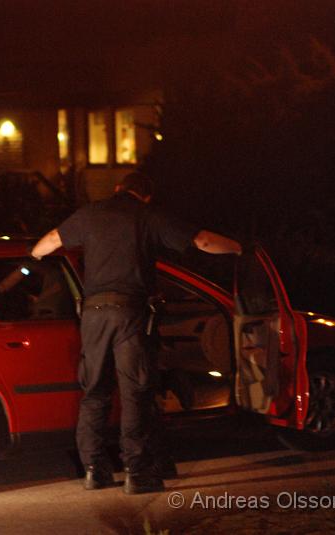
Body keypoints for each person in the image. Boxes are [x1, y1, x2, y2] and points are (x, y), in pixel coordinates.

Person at [30, 171, 242, 495]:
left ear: (118, 189)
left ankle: (94, 469)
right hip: (129, 313)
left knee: (95, 392)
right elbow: (203, 241)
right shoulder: (147, 216)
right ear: (146, 196)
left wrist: (33, 256)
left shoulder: (89, 214)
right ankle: (137, 472)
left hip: (93, 316)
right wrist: (240, 248)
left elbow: (48, 244)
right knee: (136, 394)